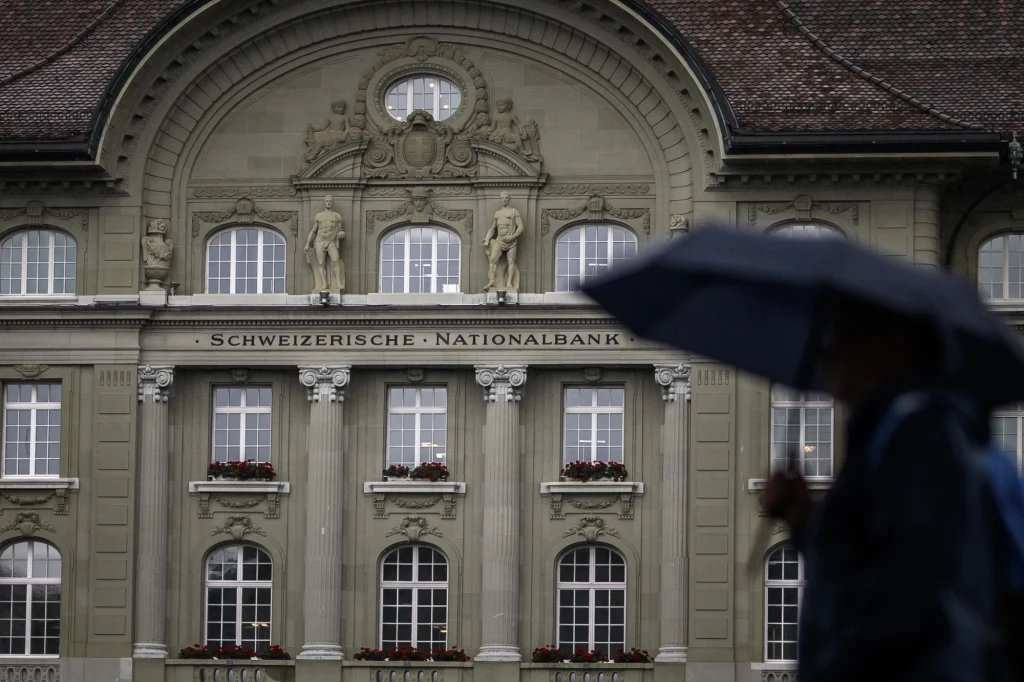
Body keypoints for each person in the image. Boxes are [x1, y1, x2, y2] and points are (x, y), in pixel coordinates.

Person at [763, 296, 1015, 682]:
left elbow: (908, 589)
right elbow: (872, 562)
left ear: (887, 346)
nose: (827, 354)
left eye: (841, 337)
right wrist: (803, 519)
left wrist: (839, 668)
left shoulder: (919, 433)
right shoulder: (898, 430)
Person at [482, 191, 524, 292]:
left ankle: (509, 282)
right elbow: (493, 228)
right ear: (501, 199)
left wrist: (512, 237)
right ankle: (491, 281)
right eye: (502, 198)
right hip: (500, 240)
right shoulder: (497, 213)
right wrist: (487, 238)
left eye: (506, 198)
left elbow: (521, 227)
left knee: (511, 261)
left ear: (509, 199)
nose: (504, 199)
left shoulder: (514, 212)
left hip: (511, 241)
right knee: (492, 260)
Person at [304, 195, 345, 293]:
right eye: (326, 201)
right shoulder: (319, 216)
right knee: (321, 263)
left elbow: (341, 230)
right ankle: (324, 283)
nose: (328, 202)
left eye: (330, 201)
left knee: (335, 260)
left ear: (332, 203)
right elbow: (314, 231)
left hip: (331, 240)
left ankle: (339, 283)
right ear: (324, 202)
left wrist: (341, 234)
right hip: (320, 240)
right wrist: (308, 243)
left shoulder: (337, 216)